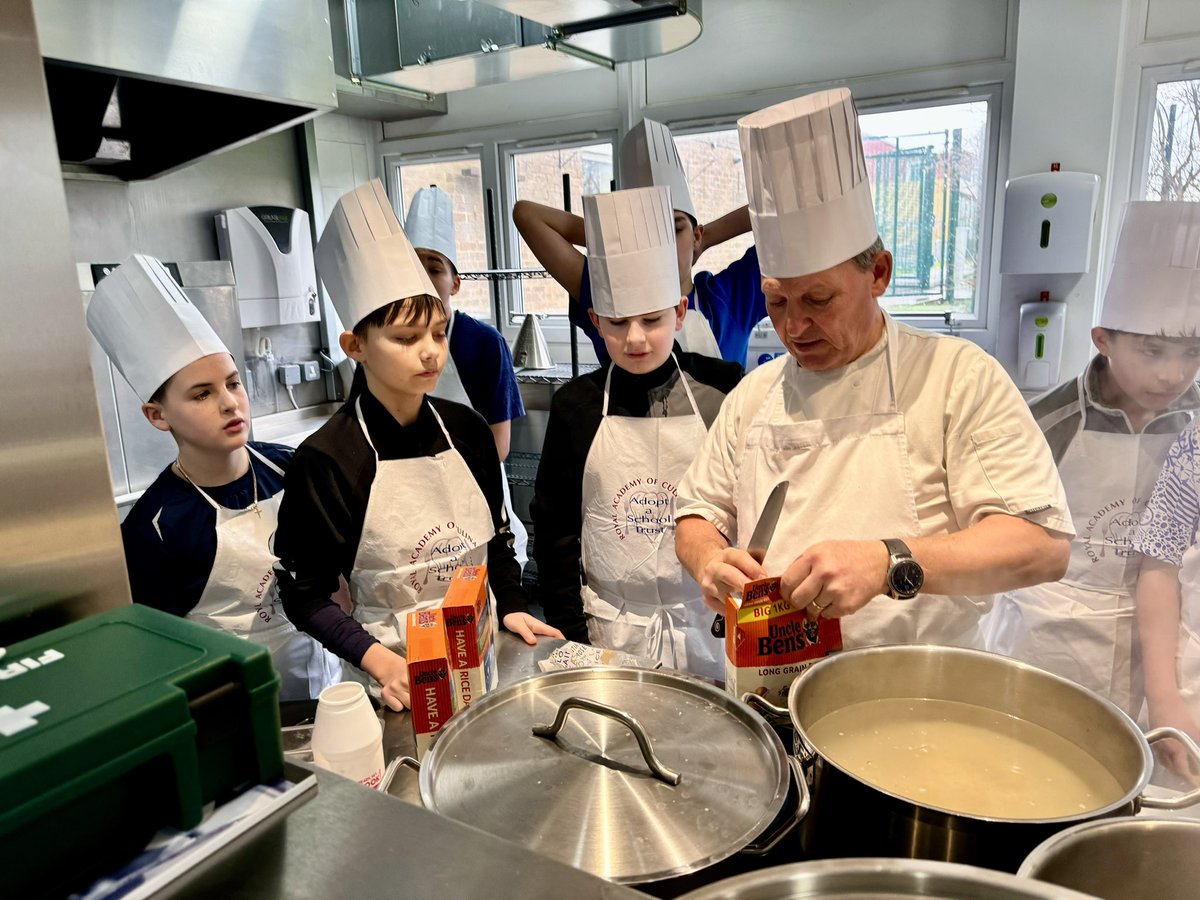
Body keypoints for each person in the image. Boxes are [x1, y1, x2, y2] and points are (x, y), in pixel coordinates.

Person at [674, 88, 1073, 651]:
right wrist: (710, 560)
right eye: (777, 302)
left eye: (818, 300)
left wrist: (889, 560)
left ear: (878, 273)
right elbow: (695, 513)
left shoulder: (957, 377)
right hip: (772, 689)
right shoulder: (754, 394)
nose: (794, 328)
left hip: (916, 694)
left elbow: (1041, 546)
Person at [273, 180, 560, 711]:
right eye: (406, 339)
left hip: (484, 657)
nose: (430, 353)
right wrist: (378, 659)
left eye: (438, 332)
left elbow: (496, 539)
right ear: (355, 346)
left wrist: (514, 603)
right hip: (395, 681)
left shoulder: (468, 431)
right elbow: (304, 592)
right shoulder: (328, 458)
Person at [88, 253, 341, 701]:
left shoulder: (292, 466)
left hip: (333, 690)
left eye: (233, 383)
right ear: (157, 415)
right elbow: (152, 657)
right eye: (202, 394)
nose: (229, 403)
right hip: (236, 719)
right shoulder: (155, 528)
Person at [986, 201, 1200, 716]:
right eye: (1151, 352)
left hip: (1162, 649)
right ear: (1103, 340)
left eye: (1193, 353)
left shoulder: (1195, 431)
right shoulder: (1045, 422)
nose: (1173, 375)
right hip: (1050, 637)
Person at [530, 186, 741, 680]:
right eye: (618, 323)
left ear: (680, 313)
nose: (636, 338)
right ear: (596, 321)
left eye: (652, 319)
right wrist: (571, 636)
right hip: (609, 631)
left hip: (709, 627)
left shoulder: (723, 389)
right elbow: (555, 530)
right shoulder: (575, 407)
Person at [513, 118, 766, 367]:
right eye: (648, 231)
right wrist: (617, 238)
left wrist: (706, 238)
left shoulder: (729, 297)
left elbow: (779, 206)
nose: (662, 244)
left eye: (674, 229)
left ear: (695, 234)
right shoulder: (605, 294)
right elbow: (527, 215)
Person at [404, 185, 529, 568]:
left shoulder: (484, 343)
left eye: (435, 267)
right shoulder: (390, 345)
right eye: (413, 264)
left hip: (476, 495)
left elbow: (499, 446)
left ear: (455, 282)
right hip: (410, 501)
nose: (423, 278)